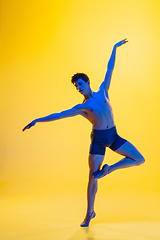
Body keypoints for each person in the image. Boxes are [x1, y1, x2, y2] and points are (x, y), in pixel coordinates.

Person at [23, 38, 145, 227]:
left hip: (113, 136)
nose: (79, 87)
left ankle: (108, 170)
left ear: (88, 82)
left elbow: (109, 69)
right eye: (76, 86)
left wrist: (114, 48)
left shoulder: (103, 91)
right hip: (98, 141)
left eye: (80, 83)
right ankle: (89, 213)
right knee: (91, 177)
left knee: (139, 159)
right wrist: (38, 120)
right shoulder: (82, 107)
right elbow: (59, 115)